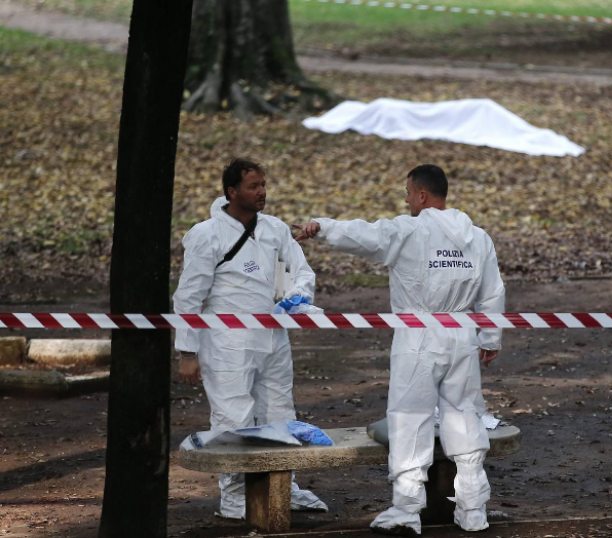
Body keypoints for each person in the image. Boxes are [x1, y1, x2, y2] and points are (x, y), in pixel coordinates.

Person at [293, 164, 505, 535]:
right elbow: (492, 293)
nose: (406, 199)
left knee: (410, 417)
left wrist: (322, 227)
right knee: (465, 415)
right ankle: (473, 510)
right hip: (462, 335)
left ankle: (407, 510)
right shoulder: (477, 237)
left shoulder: (410, 230)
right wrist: (489, 338)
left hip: (418, 334)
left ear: (422, 195)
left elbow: (366, 234)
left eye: (408, 192)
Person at [173, 158, 327, 519]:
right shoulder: (206, 234)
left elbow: (300, 270)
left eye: (263, 185)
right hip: (227, 342)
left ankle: (282, 486)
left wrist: (297, 297)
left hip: (273, 337)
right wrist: (187, 350)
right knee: (233, 416)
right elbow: (189, 296)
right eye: (253, 186)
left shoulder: (275, 229)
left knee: (279, 411)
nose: (262, 192)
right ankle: (235, 495)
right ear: (232, 191)